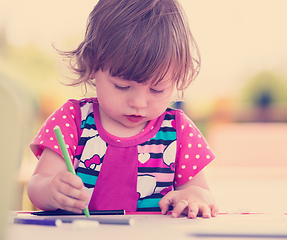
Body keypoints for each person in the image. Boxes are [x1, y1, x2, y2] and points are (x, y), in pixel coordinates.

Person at [27, 0, 218, 219]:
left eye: (156, 90)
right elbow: (36, 186)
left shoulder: (178, 131)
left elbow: (204, 196)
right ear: (92, 63)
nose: (138, 103)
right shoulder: (72, 119)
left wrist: (194, 196)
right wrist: (51, 190)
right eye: (122, 86)